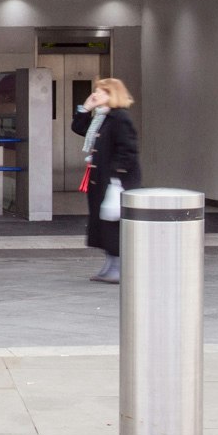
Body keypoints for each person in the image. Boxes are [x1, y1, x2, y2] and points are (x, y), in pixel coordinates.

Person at [70, 77, 138, 284]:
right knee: (102, 223)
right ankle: (110, 264)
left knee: (112, 224)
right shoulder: (103, 117)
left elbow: (128, 149)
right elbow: (80, 128)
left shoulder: (120, 118)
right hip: (100, 179)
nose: (94, 95)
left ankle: (117, 266)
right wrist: (85, 108)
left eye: (99, 92)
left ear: (111, 94)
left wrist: (116, 176)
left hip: (114, 181)